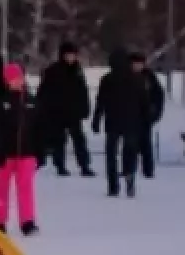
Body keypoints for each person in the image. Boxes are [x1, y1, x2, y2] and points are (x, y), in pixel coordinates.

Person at [0, 61, 39, 235]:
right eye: (13, 78)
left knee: (26, 188)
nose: (17, 81)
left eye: (19, 77)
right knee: (1, 189)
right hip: (4, 154)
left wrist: (40, 151)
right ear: (6, 81)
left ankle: (27, 221)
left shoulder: (31, 101)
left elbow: (40, 127)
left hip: (27, 152)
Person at [92, 49, 148, 198]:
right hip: (132, 121)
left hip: (112, 122)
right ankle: (129, 177)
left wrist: (96, 119)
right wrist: (145, 119)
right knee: (129, 152)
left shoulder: (107, 79)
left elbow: (100, 101)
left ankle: (113, 185)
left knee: (111, 154)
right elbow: (144, 101)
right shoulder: (137, 79)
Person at [37, 41, 95, 177]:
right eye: (68, 55)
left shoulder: (77, 70)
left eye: (73, 55)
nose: (71, 58)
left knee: (79, 140)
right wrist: (44, 109)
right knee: (59, 140)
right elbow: (44, 91)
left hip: (74, 112)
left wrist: (85, 107)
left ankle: (84, 165)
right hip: (57, 112)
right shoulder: (53, 71)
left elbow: (83, 91)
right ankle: (60, 166)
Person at [134, 52, 166, 179]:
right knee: (130, 145)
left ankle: (148, 170)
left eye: (139, 64)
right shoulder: (127, 77)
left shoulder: (149, 78)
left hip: (145, 117)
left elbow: (158, 96)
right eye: (135, 64)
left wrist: (155, 113)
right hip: (130, 116)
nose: (137, 66)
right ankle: (129, 168)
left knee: (146, 144)